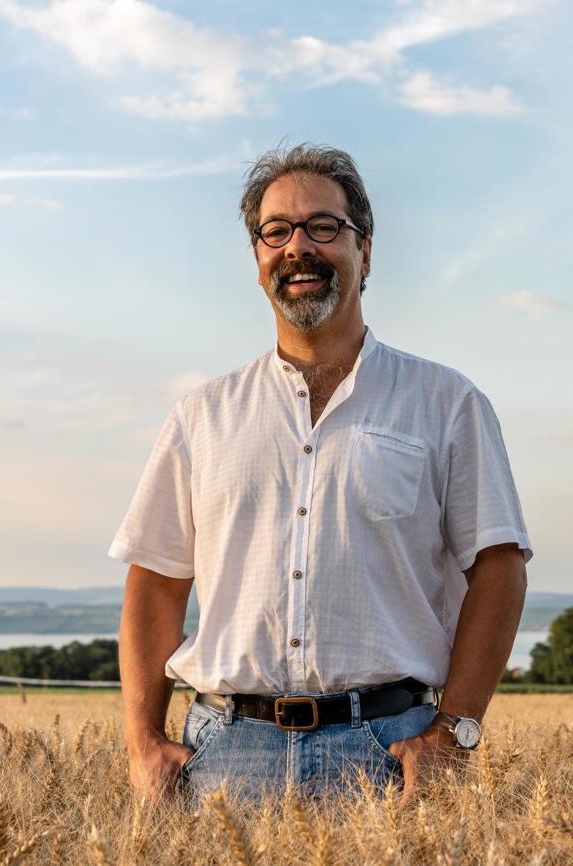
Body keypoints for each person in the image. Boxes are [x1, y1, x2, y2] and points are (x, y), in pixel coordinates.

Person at [110, 143, 532, 806]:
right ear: (257, 261)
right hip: (226, 754)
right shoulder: (203, 415)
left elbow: (500, 568)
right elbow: (156, 581)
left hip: (390, 752)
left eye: (323, 227)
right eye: (275, 231)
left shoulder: (447, 403)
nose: (297, 246)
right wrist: (142, 741)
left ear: (366, 253)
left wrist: (454, 733)